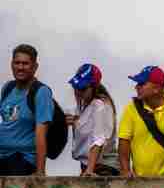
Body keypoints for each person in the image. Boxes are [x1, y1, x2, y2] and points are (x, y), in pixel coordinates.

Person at [118, 66, 164, 179]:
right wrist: (125, 171)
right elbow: (124, 141)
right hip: (139, 180)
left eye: (142, 84)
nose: (136, 87)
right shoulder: (131, 108)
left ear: (156, 88)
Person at [0, 44, 54, 176]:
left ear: (35, 67)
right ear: (11, 64)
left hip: (22, 160)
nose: (20, 67)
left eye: (25, 63)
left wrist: (40, 172)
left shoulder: (41, 92)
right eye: (17, 63)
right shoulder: (7, 88)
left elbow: (41, 134)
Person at [67, 64, 120, 176]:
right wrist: (76, 122)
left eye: (82, 88)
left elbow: (98, 139)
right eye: (76, 87)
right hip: (89, 165)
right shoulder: (84, 105)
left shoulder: (100, 105)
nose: (78, 91)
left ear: (94, 87)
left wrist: (90, 170)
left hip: (102, 167)